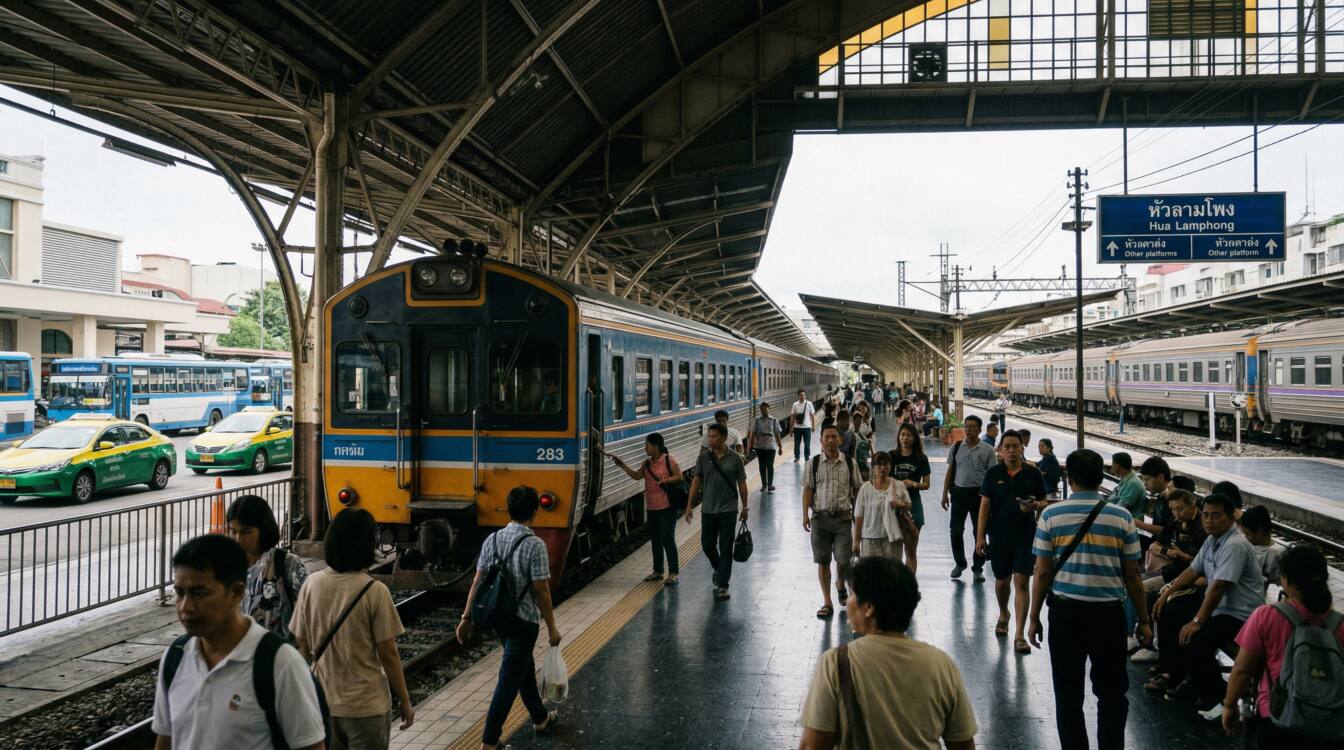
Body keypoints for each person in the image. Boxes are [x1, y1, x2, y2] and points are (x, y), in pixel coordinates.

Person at [152, 534, 326, 750]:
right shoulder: (176, 657)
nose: (186, 607)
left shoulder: (279, 663)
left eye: (199, 594)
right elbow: (165, 741)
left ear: (236, 592)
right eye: (180, 593)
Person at [1028, 449, 1152, 750]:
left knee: (1068, 693)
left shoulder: (1050, 515)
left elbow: (1042, 573)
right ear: (1102, 479)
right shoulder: (1122, 518)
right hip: (1108, 616)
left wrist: (1033, 617)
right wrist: (1144, 621)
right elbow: (1134, 575)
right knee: (1112, 692)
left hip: (1066, 615)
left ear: (1069, 479)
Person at [799, 557, 978, 750]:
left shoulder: (836, 662)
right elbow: (963, 744)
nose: (848, 602)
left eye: (852, 595)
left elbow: (813, 746)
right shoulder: (942, 665)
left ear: (868, 608)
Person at [291, 508, 414, 749]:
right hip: (366, 707)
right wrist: (405, 700)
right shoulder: (375, 591)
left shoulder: (311, 584)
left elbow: (302, 646)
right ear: (368, 545)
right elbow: (388, 654)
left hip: (324, 704)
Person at [457, 487, 562, 749]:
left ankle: (540, 718)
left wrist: (466, 616)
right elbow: (541, 590)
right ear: (534, 512)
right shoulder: (535, 545)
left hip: (498, 619)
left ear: (508, 509)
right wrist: (552, 628)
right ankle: (489, 743)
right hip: (523, 622)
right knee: (508, 680)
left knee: (522, 669)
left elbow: (478, 581)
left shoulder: (491, 540)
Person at [1151, 493, 1264, 719]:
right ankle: (1177, 673)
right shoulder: (1213, 540)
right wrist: (1167, 593)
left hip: (1240, 614)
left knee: (1197, 637)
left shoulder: (1235, 544)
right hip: (1221, 608)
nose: (1209, 520)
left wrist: (1196, 621)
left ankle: (1217, 693)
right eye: (1206, 515)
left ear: (1231, 518)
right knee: (1171, 611)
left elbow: (1219, 587)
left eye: (1216, 515)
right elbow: (1193, 571)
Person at [1222, 544, 1344, 748]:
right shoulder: (1340, 624)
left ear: (1287, 580)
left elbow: (1243, 670)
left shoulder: (1267, 616)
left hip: (1277, 718)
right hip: (1330, 723)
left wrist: (1229, 705)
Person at [975, 430, 1049, 654]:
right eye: (1006, 446)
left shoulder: (1032, 473)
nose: (1011, 450)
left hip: (1025, 534)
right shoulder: (993, 474)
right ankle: (1003, 612)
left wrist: (1035, 506)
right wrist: (980, 536)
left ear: (1022, 448)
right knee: (1001, 581)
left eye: (1015, 446)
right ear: (1000, 450)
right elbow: (985, 505)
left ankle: (1019, 634)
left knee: (1021, 580)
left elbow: (1044, 501)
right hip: (998, 534)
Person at [1132, 489, 1206, 671]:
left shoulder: (1202, 529)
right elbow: (1156, 546)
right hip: (1174, 571)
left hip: (1191, 578)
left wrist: (1183, 556)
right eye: (1173, 510)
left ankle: (1155, 646)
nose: (1176, 514)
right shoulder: (1177, 523)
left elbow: (1200, 564)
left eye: (1180, 509)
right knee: (1143, 588)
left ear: (1193, 504)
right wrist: (1171, 553)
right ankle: (1146, 638)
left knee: (1149, 593)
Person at [226, 494, 307, 644]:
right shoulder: (225, 567)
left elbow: (305, 616)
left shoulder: (288, 564)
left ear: (263, 529)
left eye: (246, 532)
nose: (238, 539)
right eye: (233, 531)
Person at [604, 433, 683, 584]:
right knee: (655, 540)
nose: (645, 448)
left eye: (647, 445)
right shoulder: (646, 464)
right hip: (652, 507)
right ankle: (658, 571)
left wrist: (666, 480)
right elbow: (636, 476)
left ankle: (673, 573)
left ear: (656, 446)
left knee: (667, 538)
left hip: (667, 507)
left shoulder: (669, 460)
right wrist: (622, 465)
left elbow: (680, 477)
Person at [802, 425, 862, 619]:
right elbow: (808, 490)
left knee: (844, 560)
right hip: (820, 519)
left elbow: (857, 492)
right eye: (826, 437)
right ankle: (827, 601)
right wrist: (805, 515)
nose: (829, 440)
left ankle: (840, 584)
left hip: (843, 519)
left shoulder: (850, 464)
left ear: (840, 440)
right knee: (823, 561)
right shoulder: (814, 463)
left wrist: (858, 518)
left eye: (833, 437)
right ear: (820, 441)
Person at [686, 423, 749, 601]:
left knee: (726, 547)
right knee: (707, 544)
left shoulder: (735, 458)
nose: (710, 440)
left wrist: (745, 507)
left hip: (728, 509)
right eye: (709, 436)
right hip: (708, 509)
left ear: (724, 437)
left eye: (714, 436)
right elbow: (696, 481)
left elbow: (742, 484)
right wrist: (689, 505)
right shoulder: (703, 458)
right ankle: (719, 569)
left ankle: (723, 585)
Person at [941, 415, 997, 582]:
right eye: (967, 427)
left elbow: (993, 476)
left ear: (980, 430)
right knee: (956, 531)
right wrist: (944, 493)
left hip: (980, 495)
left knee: (979, 532)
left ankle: (978, 567)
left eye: (973, 427)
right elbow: (950, 471)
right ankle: (960, 563)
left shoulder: (987, 450)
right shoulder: (957, 447)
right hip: (958, 493)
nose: (969, 430)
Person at [853, 452, 910, 559]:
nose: (882, 467)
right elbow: (859, 516)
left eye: (886, 464)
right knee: (871, 574)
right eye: (879, 464)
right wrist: (856, 541)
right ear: (873, 467)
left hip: (892, 538)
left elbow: (908, 505)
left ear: (890, 466)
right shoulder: (865, 488)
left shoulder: (899, 485)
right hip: (869, 539)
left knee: (892, 573)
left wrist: (899, 503)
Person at [891, 423, 931, 573]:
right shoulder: (892, 456)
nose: (905, 438)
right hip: (894, 504)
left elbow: (927, 484)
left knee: (911, 548)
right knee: (894, 550)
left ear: (914, 438)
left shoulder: (921, 458)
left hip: (914, 503)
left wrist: (913, 484)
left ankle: (909, 583)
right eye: (902, 435)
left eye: (908, 435)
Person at [1237, 505, 1282, 600]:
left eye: (1248, 534)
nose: (1245, 537)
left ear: (1260, 531)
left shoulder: (1275, 555)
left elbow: (1276, 586)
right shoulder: (1246, 544)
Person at [747, 402, 782, 493]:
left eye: (765, 409)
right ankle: (764, 485)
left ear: (768, 408)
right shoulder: (757, 420)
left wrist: (780, 446)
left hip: (771, 446)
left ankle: (770, 484)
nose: (763, 411)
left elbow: (777, 434)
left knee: (770, 465)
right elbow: (753, 433)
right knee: (762, 466)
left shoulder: (774, 420)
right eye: (761, 409)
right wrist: (751, 445)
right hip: (760, 447)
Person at [1108, 453, 1147, 523]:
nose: (1112, 467)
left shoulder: (1133, 484)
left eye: (1113, 464)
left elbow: (1121, 509)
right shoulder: (1126, 479)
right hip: (1121, 519)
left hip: (1128, 523)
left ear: (1118, 466)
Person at [790, 389, 816, 462]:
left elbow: (812, 415)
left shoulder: (809, 404)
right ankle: (797, 457)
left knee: (807, 443)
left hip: (807, 427)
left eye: (804, 394)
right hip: (797, 427)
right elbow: (792, 416)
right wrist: (791, 428)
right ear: (798, 396)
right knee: (797, 444)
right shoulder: (795, 404)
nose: (802, 396)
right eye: (801, 395)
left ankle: (807, 457)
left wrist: (813, 426)